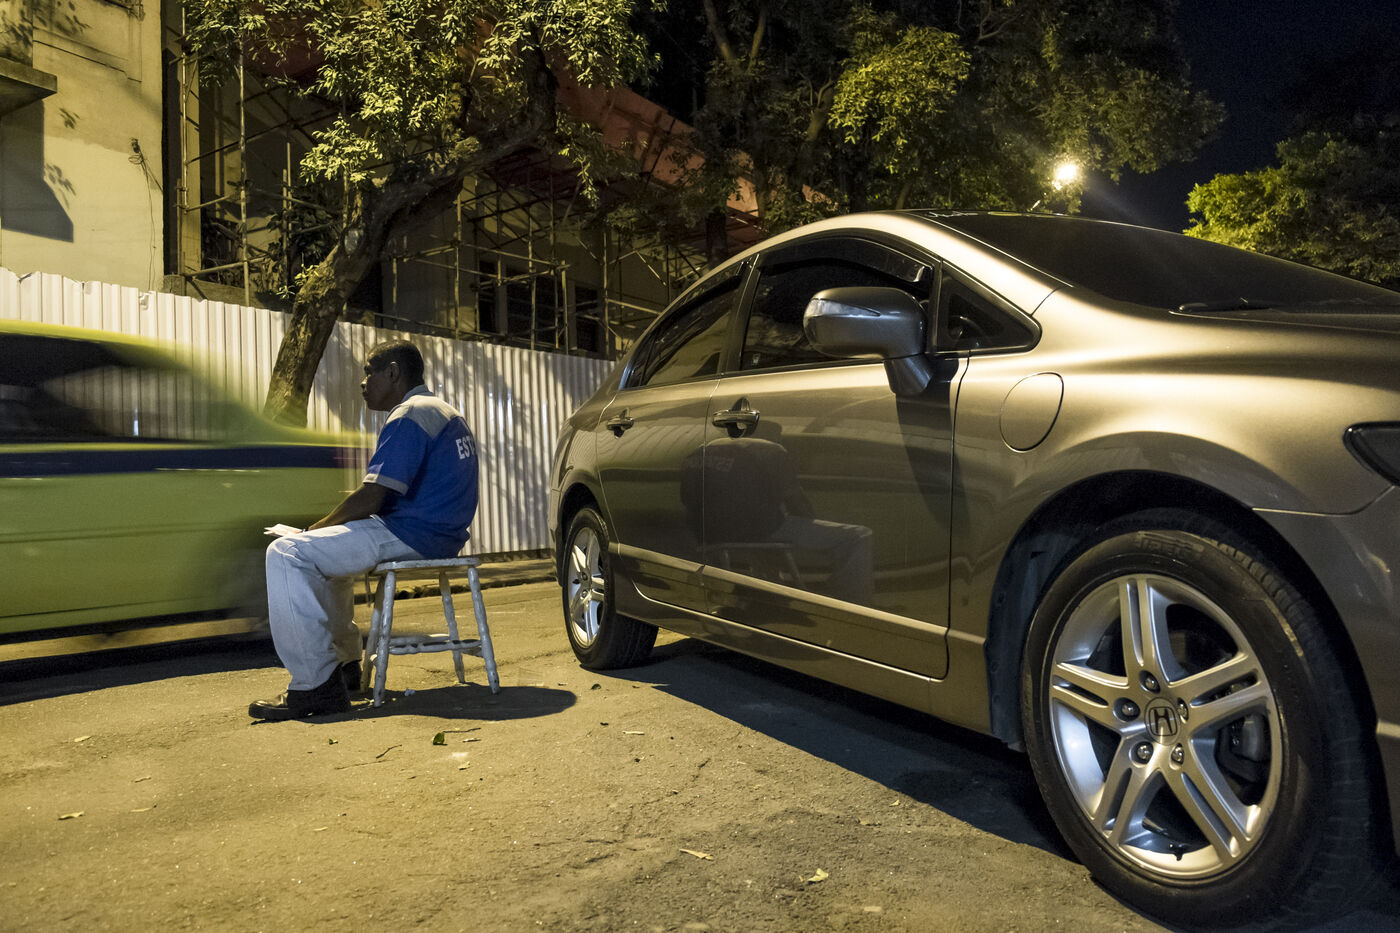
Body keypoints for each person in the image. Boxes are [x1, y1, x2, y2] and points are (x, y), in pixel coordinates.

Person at [249, 339, 479, 720]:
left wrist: (310, 531)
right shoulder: (442, 410)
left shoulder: (411, 414)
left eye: (369, 372)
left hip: (411, 534)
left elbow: (373, 496)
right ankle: (344, 667)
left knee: (287, 553)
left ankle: (314, 685)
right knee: (327, 562)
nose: (363, 382)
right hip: (439, 534)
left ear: (393, 373)